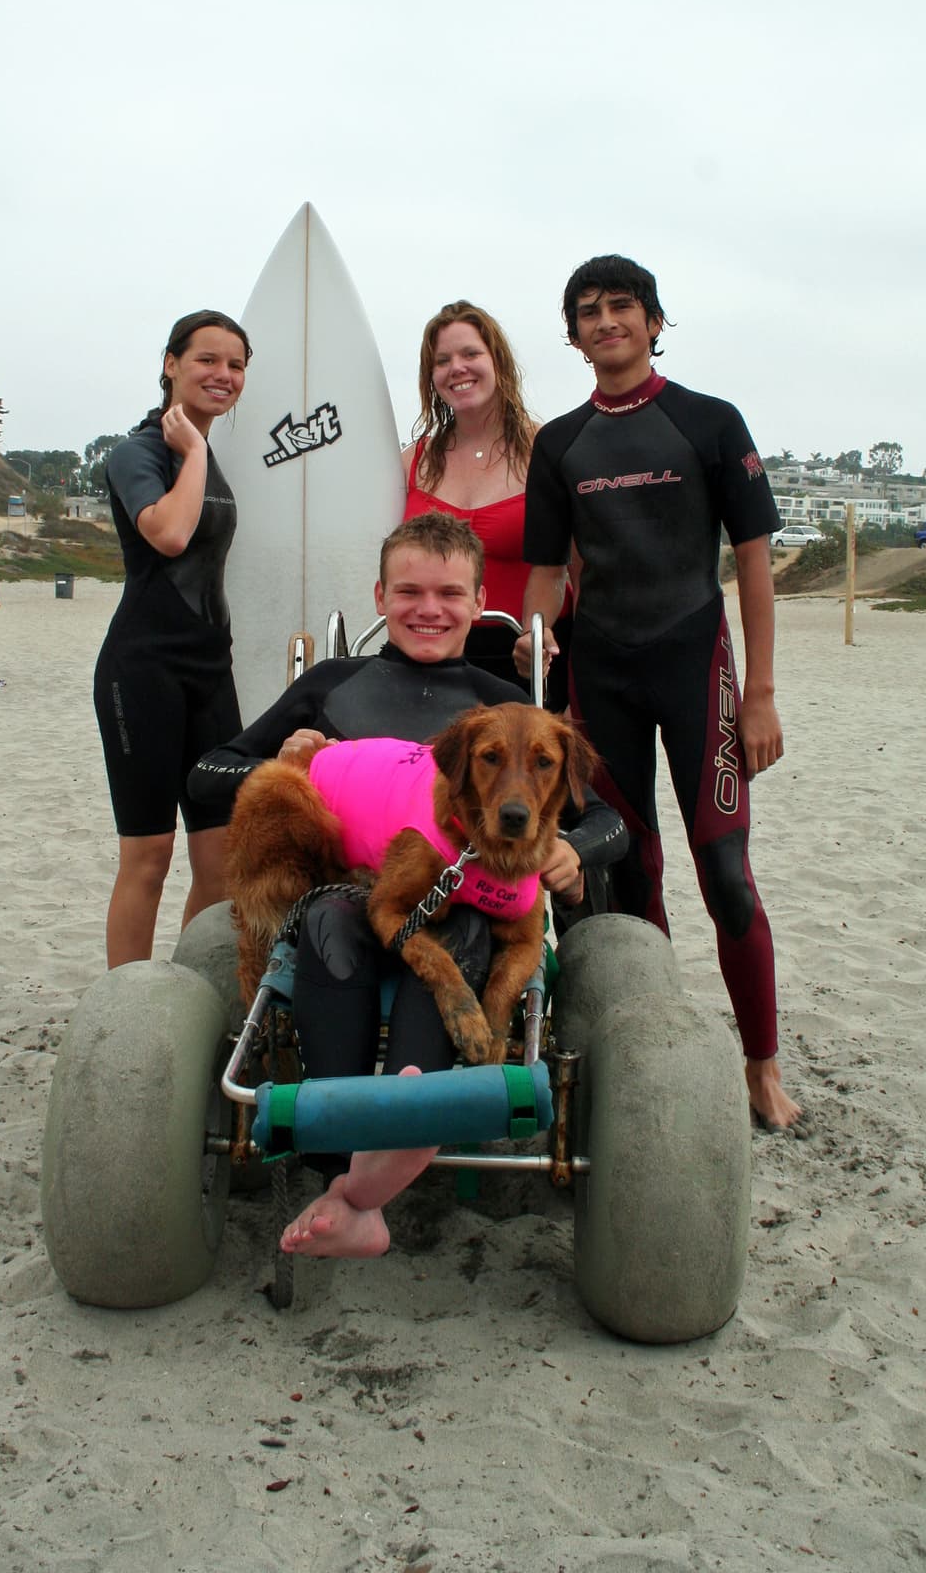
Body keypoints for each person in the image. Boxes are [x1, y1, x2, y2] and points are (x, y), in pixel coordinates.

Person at [190, 512, 627, 1257]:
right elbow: (207, 778)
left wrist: (573, 855)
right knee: (331, 925)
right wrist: (288, 758)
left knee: (453, 930)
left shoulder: (502, 704)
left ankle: (374, 1164)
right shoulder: (331, 683)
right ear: (380, 596)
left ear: (480, 597)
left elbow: (600, 816)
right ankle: (346, 1160)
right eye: (410, 591)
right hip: (347, 888)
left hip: (469, 896)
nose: (430, 609)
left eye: (451, 593)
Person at [514, 253, 800, 1130]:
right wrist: (540, 689)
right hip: (598, 676)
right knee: (629, 873)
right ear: (572, 336)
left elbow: (753, 565)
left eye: (622, 307)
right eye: (589, 312)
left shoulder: (708, 424)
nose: (607, 323)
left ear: (654, 321)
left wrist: (760, 693)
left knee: (726, 875)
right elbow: (541, 579)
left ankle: (760, 1066)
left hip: (695, 667)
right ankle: (661, 1050)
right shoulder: (560, 444)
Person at [94, 307, 252, 969]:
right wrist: (189, 452)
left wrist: (197, 451)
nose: (223, 374)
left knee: (220, 862)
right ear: (171, 364)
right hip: (143, 671)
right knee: (149, 855)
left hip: (210, 672)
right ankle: (129, 1008)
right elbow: (169, 534)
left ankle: (187, 993)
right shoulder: (139, 453)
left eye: (236, 365)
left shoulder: (203, 453)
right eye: (207, 360)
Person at [402, 303, 571, 708]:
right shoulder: (411, 461)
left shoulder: (548, 450)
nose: (456, 368)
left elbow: (577, 568)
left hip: (529, 657)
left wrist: (543, 638)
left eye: (470, 354)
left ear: (498, 361)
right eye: (442, 361)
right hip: (431, 657)